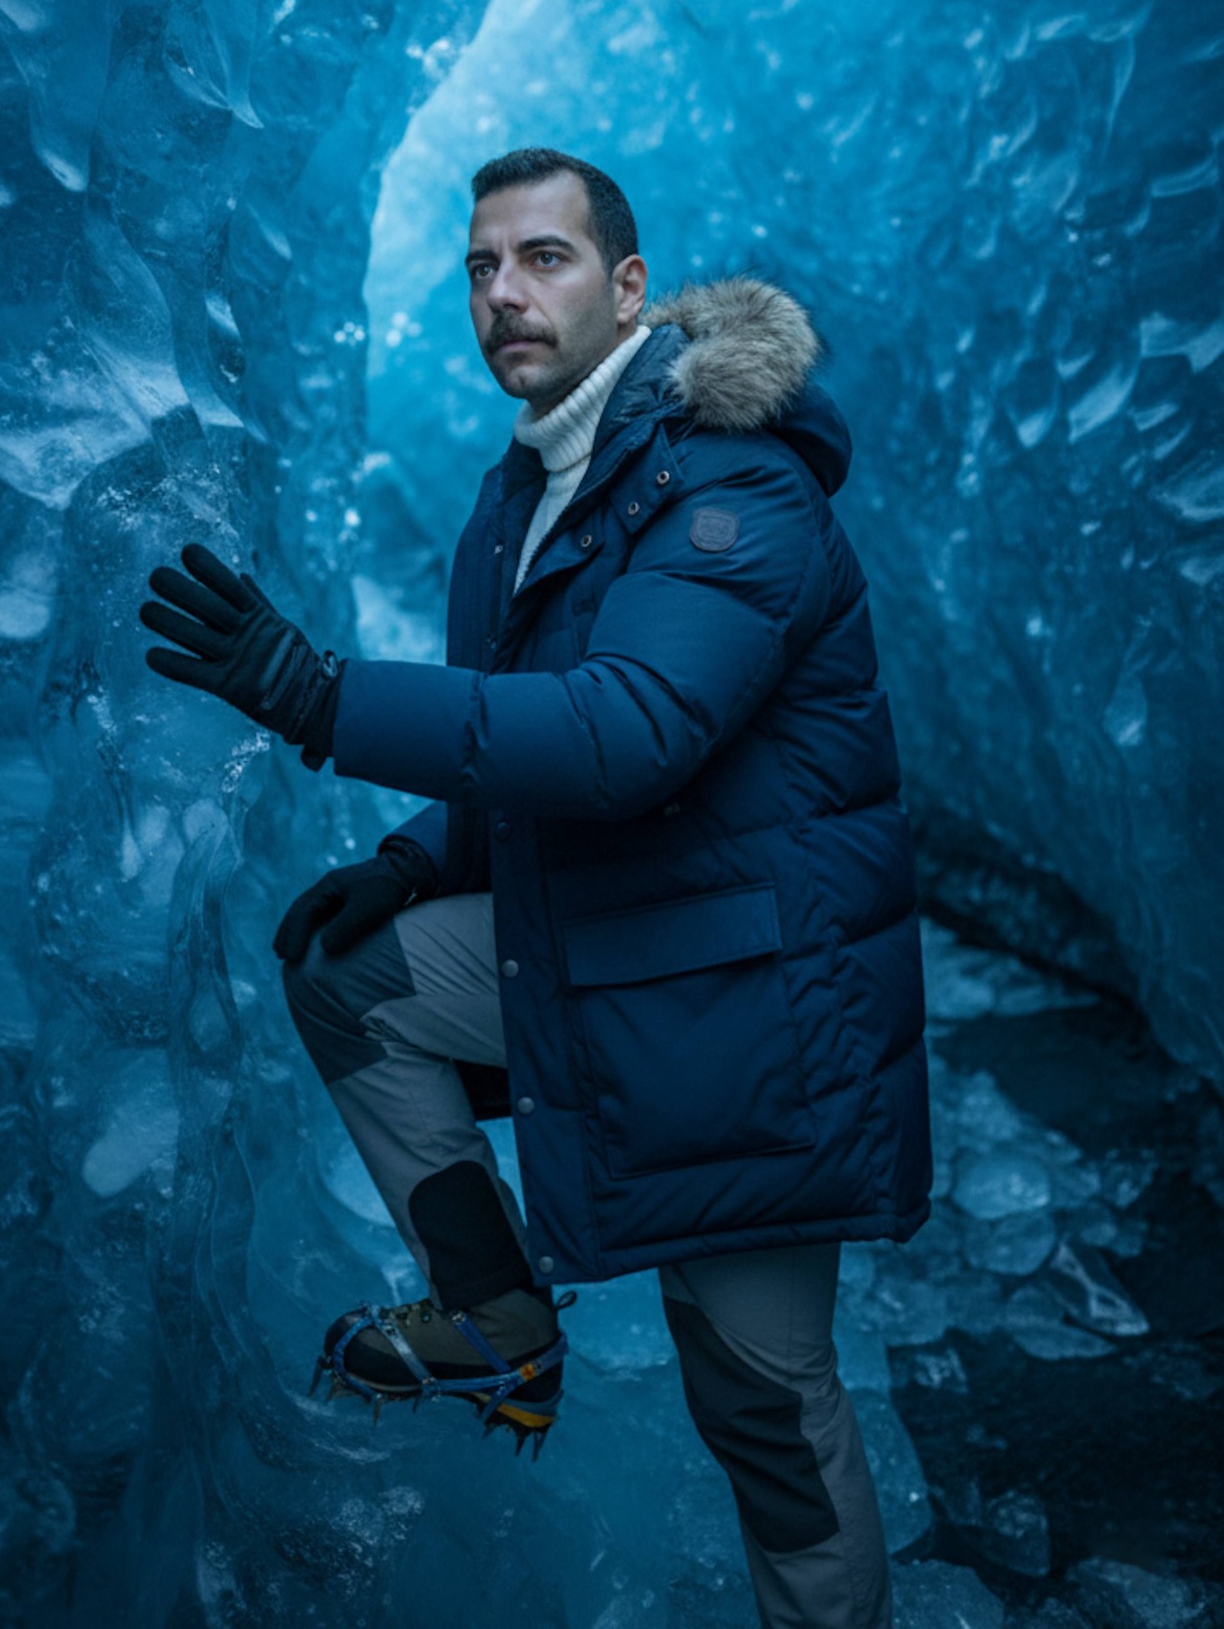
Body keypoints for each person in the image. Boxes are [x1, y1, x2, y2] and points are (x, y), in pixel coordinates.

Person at [140, 147, 932, 1629]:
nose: (504, 292)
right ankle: (497, 1319)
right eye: (481, 268)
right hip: (622, 953)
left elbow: (624, 734)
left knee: (763, 1405)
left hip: (753, 1010)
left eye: (544, 258)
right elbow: (527, 742)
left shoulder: (731, 483)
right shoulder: (529, 498)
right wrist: (419, 857)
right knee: (354, 979)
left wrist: (320, 695)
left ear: (630, 290)